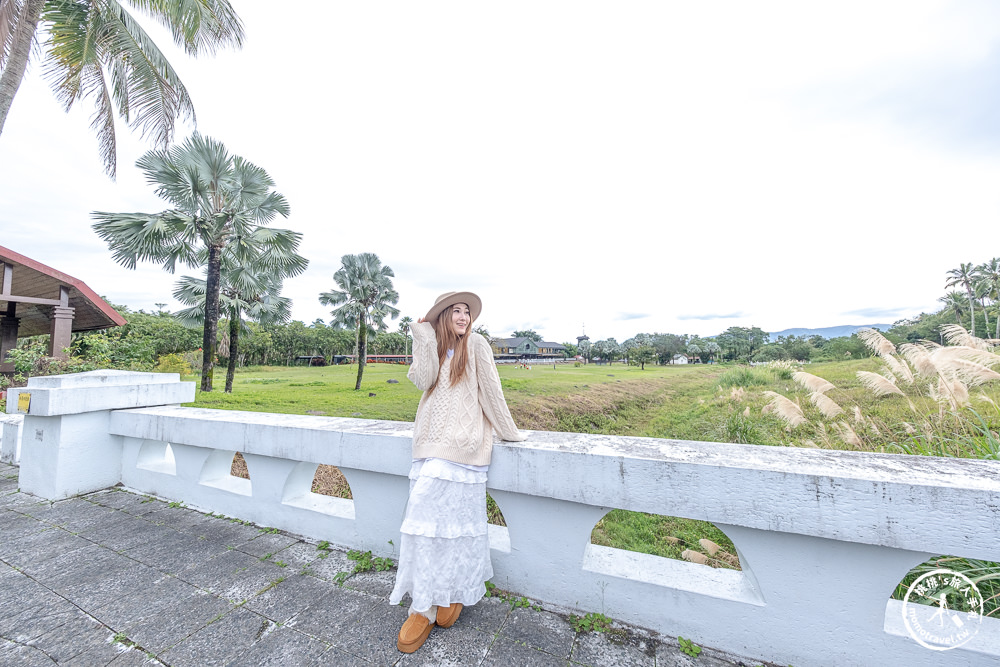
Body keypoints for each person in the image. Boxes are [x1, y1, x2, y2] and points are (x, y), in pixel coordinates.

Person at [390, 291, 527, 653]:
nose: (463, 317)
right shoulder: (434, 345)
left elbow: (491, 393)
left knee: (455, 524)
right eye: (456, 311)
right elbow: (422, 381)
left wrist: (510, 433)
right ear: (443, 316)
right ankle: (425, 603)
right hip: (428, 445)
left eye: (467, 312)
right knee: (428, 525)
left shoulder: (477, 345)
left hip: (464, 448)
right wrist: (422, 334)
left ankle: (444, 596)